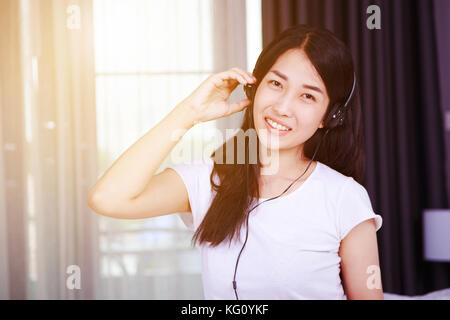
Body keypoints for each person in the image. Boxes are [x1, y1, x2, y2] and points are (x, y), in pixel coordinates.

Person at [88, 24, 384, 300]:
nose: (282, 107)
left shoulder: (344, 198)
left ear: (328, 117)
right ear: (254, 89)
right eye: (276, 84)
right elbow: (108, 199)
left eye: (307, 96)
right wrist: (189, 112)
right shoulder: (207, 180)